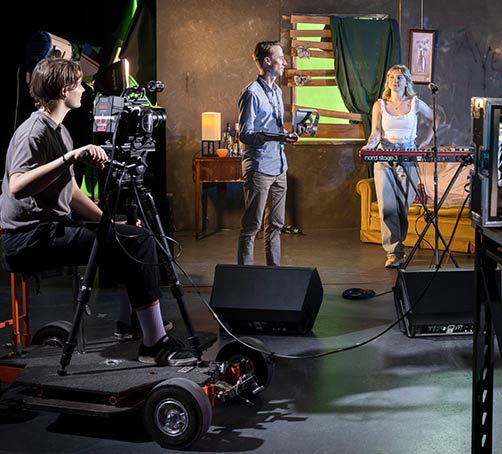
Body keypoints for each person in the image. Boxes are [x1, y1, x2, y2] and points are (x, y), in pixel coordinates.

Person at [0, 57, 195, 366]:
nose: (83, 89)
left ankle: (140, 327)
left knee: (132, 233)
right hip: (27, 239)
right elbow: (17, 187)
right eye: (78, 84)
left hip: (48, 229)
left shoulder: (58, 131)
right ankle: (154, 343)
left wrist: (109, 221)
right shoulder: (33, 132)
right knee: (135, 241)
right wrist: (71, 158)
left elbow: (72, 193)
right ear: (64, 89)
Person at [361, 64, 434, 268]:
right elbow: (375, 132)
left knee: (402, 205)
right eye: (392, 77)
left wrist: (426, 141)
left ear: (407, 81)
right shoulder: (380, 105)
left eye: (400, 77)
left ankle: (398, 245)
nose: (396, 80)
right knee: (387, 206)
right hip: (384, 155)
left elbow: (434, 119)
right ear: (388, 81)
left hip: (408, 156)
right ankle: (394, 252)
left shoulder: (415, 103)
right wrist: (369, 146)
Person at [237, 41, 299, 266]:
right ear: (267, 61)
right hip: (260, 169)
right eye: (280, 57)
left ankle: (274, 274)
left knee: (276, 225)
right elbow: (245, 134)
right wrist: (276, 137)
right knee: (252, 226)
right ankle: (246, 277)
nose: (284, 62)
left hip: (280, 167)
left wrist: (287, 134)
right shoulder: (251, 94)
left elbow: (274, 127)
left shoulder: (277, 91)